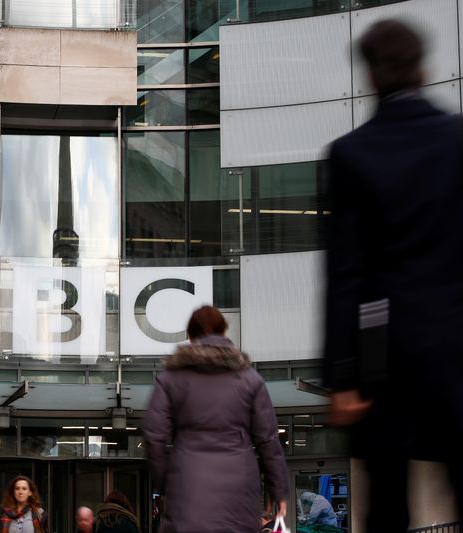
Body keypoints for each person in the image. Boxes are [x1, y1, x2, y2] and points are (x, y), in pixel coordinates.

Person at [323, 19, 463, 533]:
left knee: (385, 507)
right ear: (424, 68)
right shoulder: (456, 140)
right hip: (455, 348)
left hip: (385, 362)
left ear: (370, 77)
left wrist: (341, 377)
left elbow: (345, 275)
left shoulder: (351, 154)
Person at [143, 305, 289, 533]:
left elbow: (154, 437)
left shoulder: (171, 378)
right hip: (239, 487)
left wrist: (165, 484)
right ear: (223, 333)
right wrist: (279, 490)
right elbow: (268, 439)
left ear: (190, 337)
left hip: (188, 484)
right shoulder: (250, 379)